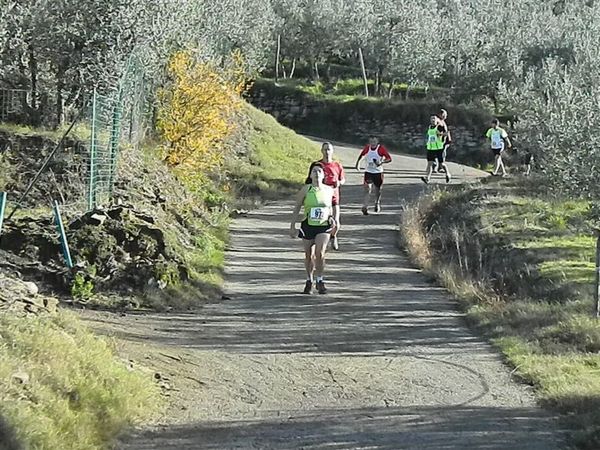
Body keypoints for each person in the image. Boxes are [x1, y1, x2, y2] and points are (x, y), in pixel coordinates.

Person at [290, 163, 335, 295]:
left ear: (323, 175)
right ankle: (309, 280)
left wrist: (332, 218)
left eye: (319, 171)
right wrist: (292, 225)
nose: (316, 174)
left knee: (320, 254)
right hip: (308, 225)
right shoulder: (306, 189)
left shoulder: (329, 190)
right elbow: (297, 207)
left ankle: (320, 280)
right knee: (309, 255)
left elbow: (330, 207)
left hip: (323, 226)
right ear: (310, 175)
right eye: (314, 171)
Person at [305, 142, 345, 250]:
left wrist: (339, 183)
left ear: (332, 151)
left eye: (329, 150)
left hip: (334, 198)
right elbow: (309, 180)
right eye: (325, 150)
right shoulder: (318, 166)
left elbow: (342, 179)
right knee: (322, 222)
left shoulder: (337, 165)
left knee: (336, 222)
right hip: (321, 199)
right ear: (321, 151)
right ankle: (317, 242)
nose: (327, 152)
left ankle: (333, 235)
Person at [354, 136, 392, 215]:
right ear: (369, 142)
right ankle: (365, 206)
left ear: (377, 142)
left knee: (378, 190)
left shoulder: (381, 149)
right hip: (368, 171)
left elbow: (389, 158)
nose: (373, 143)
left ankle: (377, 203)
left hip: (378, 172)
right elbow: (361, 155)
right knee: (367, 188)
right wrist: (358, 164)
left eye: (374, 141)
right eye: (371, 141)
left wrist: (381, 162)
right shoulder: (367, 148)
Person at [421, 115, 451, 184]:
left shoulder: (440, 127)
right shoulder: (429, 127)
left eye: (434, 119)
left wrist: (441, 135)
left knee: (442, 164)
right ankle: (427, 178)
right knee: (429, 164)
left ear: (437, 120)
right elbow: (429, 136)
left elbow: (446, 133)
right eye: (431, 119)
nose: (433, 120)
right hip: (431, 148)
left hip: (439, 148)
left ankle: (448, 174)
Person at [436, 108, 452, 173]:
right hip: (441, 141)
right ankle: (439, 167)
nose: (446, 116)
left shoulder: (442, 121)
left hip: (445, 141)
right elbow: (437, 132)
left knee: (443, 154)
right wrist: (443, 135)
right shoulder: (439, 122)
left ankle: (440, 167)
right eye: (445, 114)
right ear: (441, 114)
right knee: (441, 154)